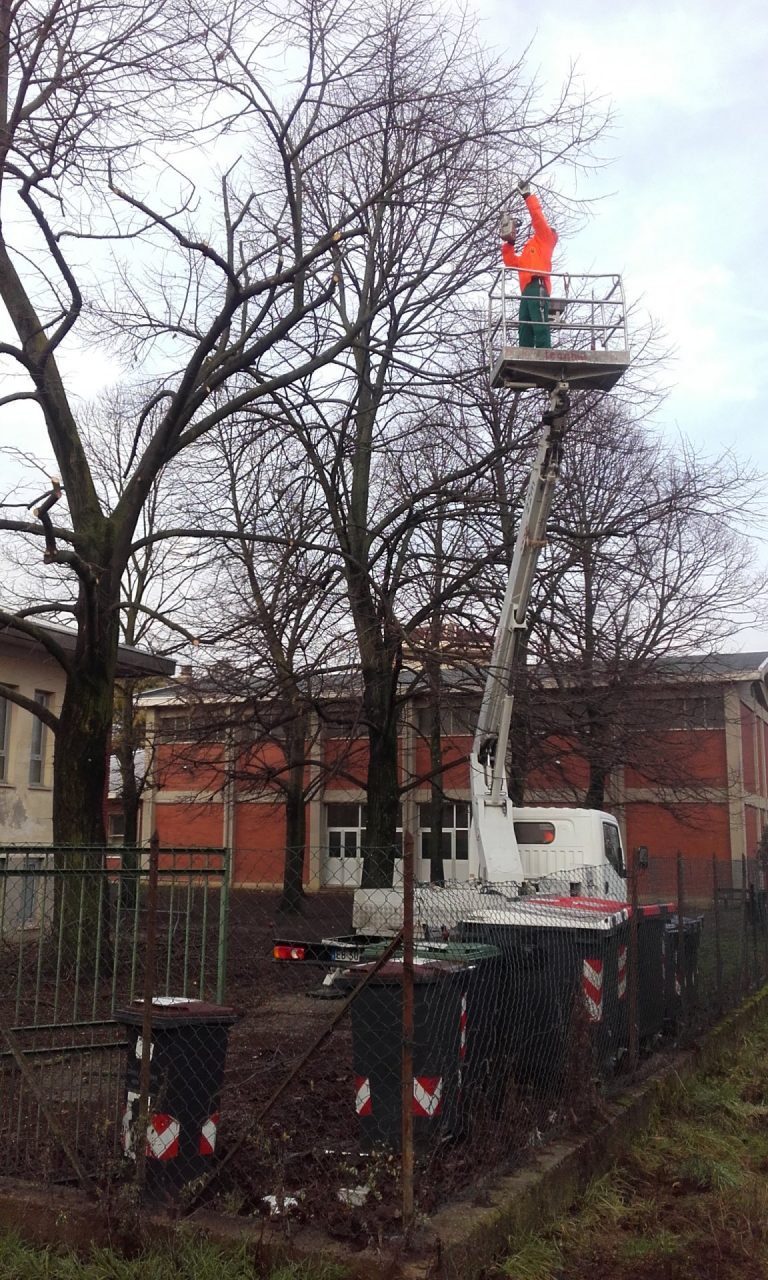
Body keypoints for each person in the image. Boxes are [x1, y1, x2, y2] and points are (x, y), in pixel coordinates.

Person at [500, 181, 558, 348]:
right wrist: (510, 243)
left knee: (540, 327)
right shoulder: (530, 250)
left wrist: (527, 196)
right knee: (524, 329)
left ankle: (544, 355)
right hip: (526, 291)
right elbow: (512, 262)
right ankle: (524, 355)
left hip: (537, 287)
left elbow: (538, 218)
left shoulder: (545, 239)